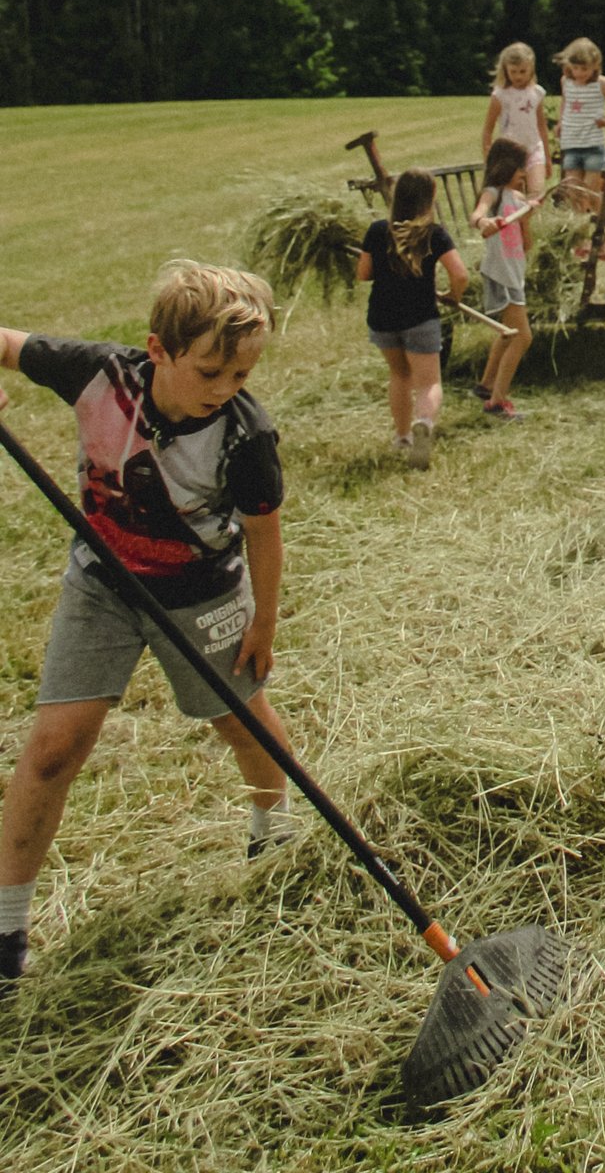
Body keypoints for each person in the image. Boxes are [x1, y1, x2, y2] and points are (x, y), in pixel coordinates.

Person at [0, 261, 296, 983]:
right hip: (102, 582)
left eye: (240, 375)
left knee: (241, 722)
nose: (226, 390)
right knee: (53, 749)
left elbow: (264, 533)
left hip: (200, 592)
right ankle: (5, 931)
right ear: (157, 350)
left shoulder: (244, 434)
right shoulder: (99, 374)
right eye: (211, 373)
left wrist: (261, 624)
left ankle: (276, 830)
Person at [356, 168, 469, 469]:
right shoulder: (434, 234)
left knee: (399, 376)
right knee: (429, 382)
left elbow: (362, 274)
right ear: (430, 198)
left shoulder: (377, 230)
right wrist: (453, 296)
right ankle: (423, 422)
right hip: (420, 317)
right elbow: (460, 274)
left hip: (382, 317)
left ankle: (403, 436)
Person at [470, 138, 538, 422]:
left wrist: (527, 218)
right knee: (522, 337)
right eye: (521, 169)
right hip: (500, 273)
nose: (524, 174)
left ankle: (486, 386)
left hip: (514, 272)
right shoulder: (493, 193)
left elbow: (527, 245)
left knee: (508, 334)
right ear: (507, 166)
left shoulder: (517, 199)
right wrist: (484, 223)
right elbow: (477, 214)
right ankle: (497, 403)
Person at [553, 37, 605, 234]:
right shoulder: (566, 82)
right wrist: (560, 122)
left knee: (591, 192)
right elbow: (565, 103)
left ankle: (600, 231)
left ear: (595, 66)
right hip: (571, 144)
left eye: (585, 69)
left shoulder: (602, 84)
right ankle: (581, 234)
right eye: (576, 68)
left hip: (592, 145)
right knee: (573, 192)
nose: (580, 73)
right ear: (569, 66)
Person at [481, 42, 552, 200]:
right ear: (505, 70)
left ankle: (529, 223)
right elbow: (488, 129)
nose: (518, 76)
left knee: (536, 192)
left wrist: (547, 157)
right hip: (510, 154)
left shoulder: (537, 93)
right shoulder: (500, 95)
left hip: (534, 149)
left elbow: (541, 125)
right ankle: (517, 225)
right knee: (515, 197)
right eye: (513, 72)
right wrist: (489, 159)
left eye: (522, 71)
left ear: (531, 68)